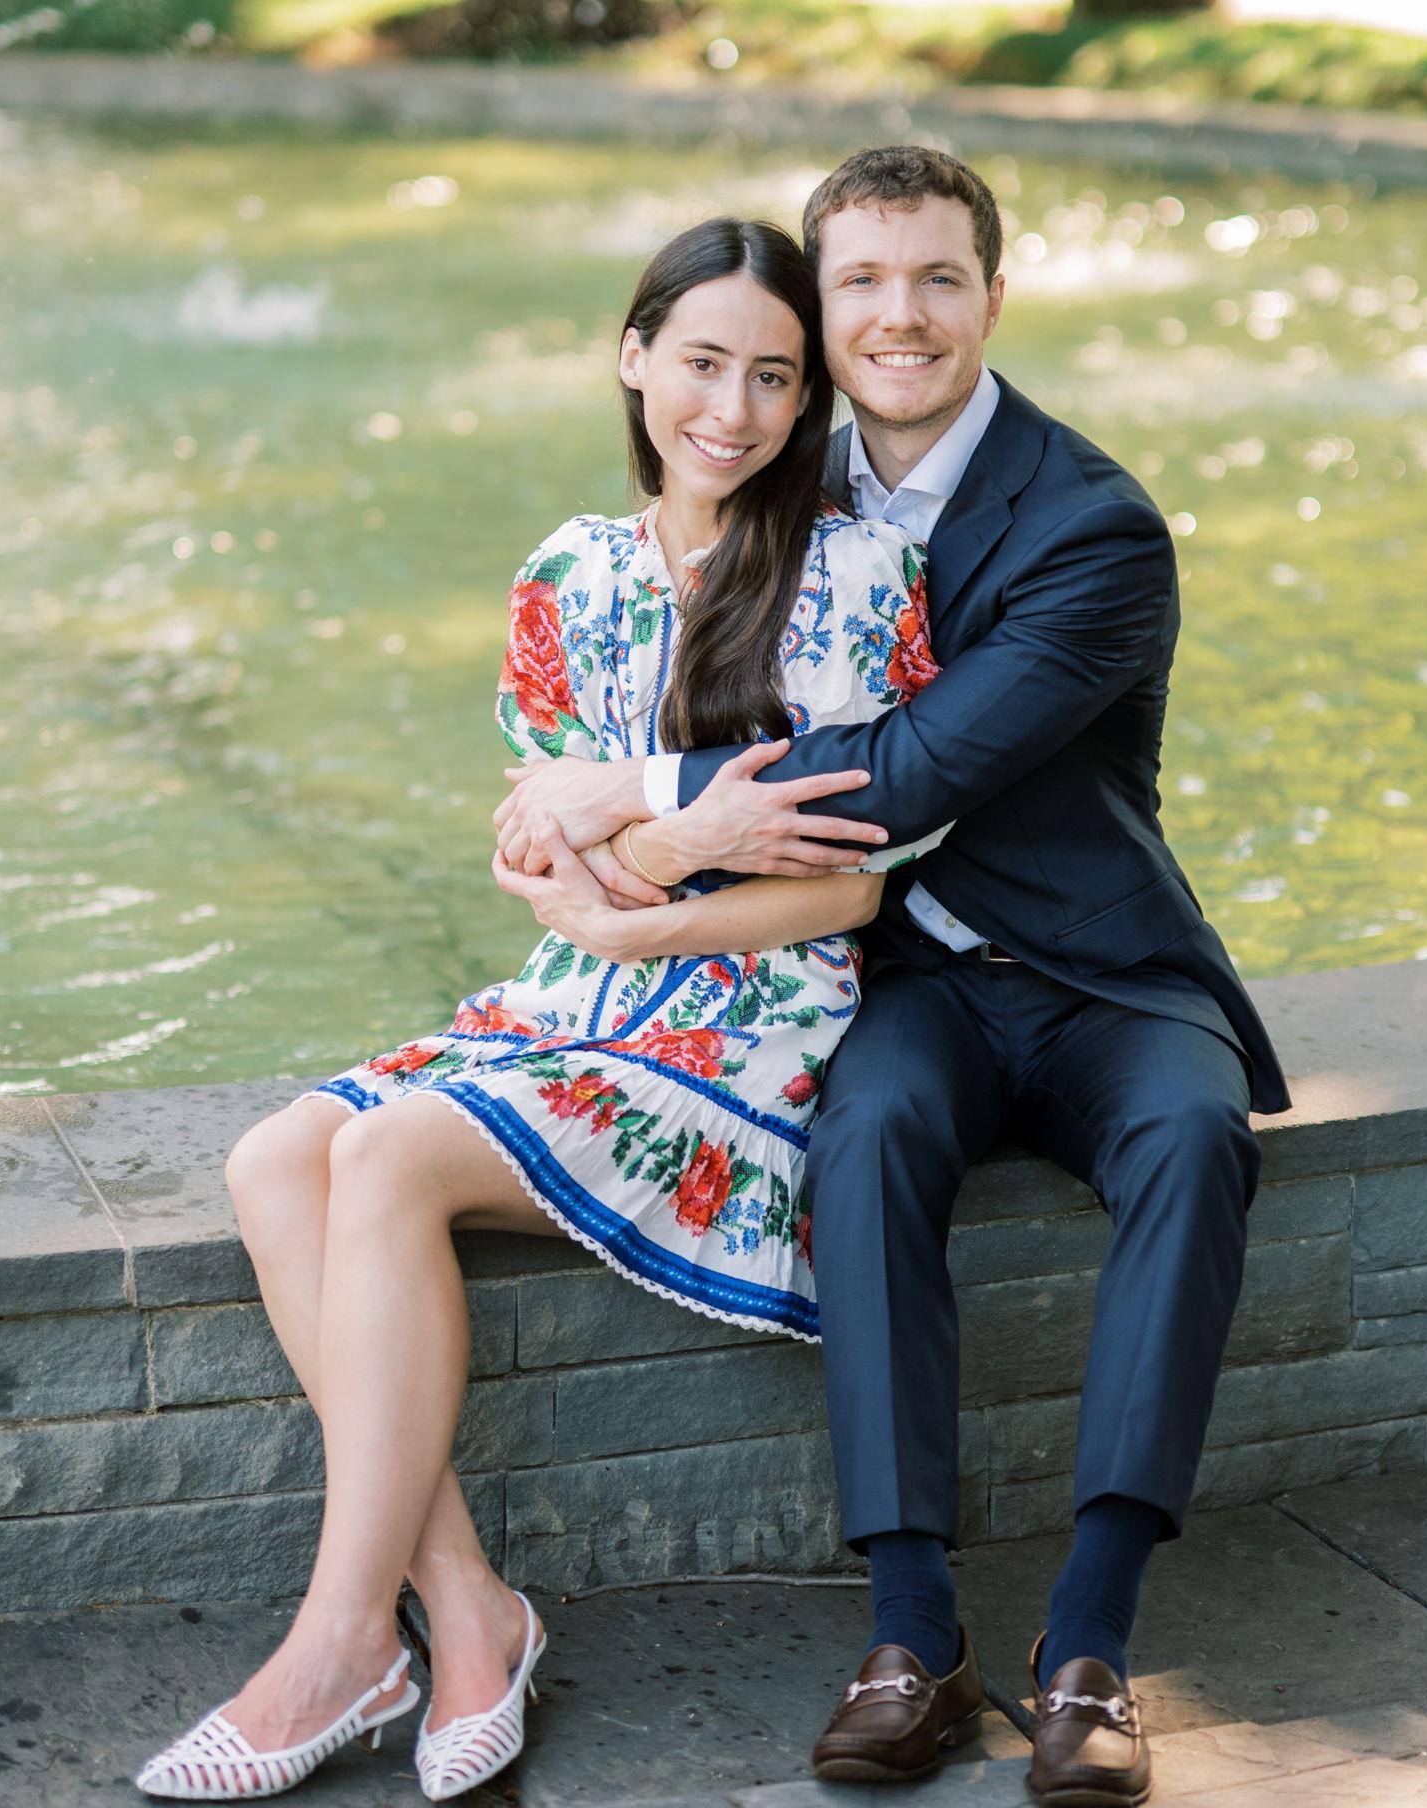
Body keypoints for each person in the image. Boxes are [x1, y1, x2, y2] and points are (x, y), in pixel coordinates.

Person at [494, 147, 1295, 1805]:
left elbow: (915, 767)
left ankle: (1091, 1638)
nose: (899, 315)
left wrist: (636, 801)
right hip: (899, 973)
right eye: (859, 280)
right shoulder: (779, 465)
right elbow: (636, 642)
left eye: (937, 277)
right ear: (820, 305)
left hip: (1103, 972)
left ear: (994, 297)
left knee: (1192, 1141)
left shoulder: (1091, 525)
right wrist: (570, 830)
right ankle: (912, 1634)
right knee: (862, 1141)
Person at [132, 215, 944, 1804]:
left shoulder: (854, 573)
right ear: (633, 356)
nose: (732, 408)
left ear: (807, 398)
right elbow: (531, 849)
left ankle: (338, 1642)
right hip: (573, 991)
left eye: (774, 376)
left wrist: (647, 873)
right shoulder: (569, 572)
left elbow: (852, 887)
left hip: (754, 1021)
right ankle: (464, 1612)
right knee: (269, 1162)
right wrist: (684, 836)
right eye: (701, 362)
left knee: (383, 1156)